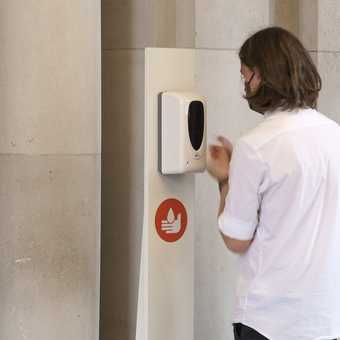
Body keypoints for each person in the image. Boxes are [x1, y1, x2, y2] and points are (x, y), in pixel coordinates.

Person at [207, 26, 340, 340]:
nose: (244, 86)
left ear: (261, 76)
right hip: (326, 315)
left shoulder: (255, 146)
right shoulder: (335, 135)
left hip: (270, 318)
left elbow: (236, 239)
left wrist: (226, 179)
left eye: (245, 76)